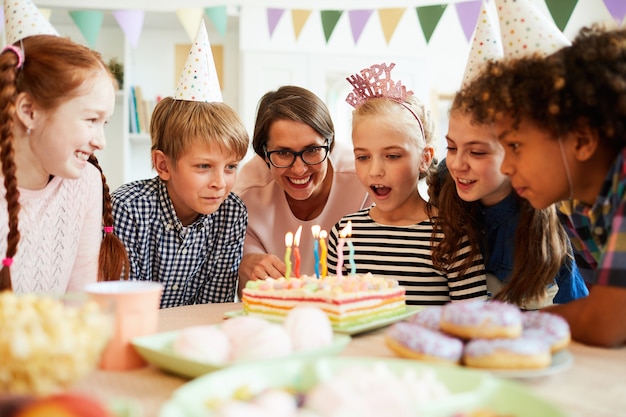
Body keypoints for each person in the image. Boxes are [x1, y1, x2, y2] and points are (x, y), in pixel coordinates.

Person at [458, 25, 626, 347]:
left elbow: (605, 322)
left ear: (582, 140)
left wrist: (516, 321)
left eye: (516, 146)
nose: (506, 166)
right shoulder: (575, 208)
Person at [326, 62, 487, 306]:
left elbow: (471, 322)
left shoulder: (452, 236)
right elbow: (335, 312)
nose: (375, 171)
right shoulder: (344, 233)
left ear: (424, 158)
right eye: (363, 157)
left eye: (392, 156)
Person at [112, 23, 249, 308]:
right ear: (163, 165)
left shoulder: (232, 213)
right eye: (203, 166)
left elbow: (214, 309)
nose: (220, 182)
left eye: (231, 167)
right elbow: (125, 307)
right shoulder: (128, 209)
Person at [0, 34, 128, 293]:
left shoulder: (85, 183)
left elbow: (80, 300)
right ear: (29, 111)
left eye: (105, 123)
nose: (101, 142)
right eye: (91, 119)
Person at [429, 103, 588, 309]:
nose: (457, 164)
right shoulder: (446, 184)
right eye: (451, 147)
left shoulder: (544, 216)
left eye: (477, 152)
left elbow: (575, 310)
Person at [233, 86, 371, 289]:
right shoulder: (246, 194)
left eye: (312, 150)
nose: (299, 169)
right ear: (264, 154)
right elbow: (250, 293)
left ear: (329, 143)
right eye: (283, 153)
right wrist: (244, 265)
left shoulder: (364, 179)